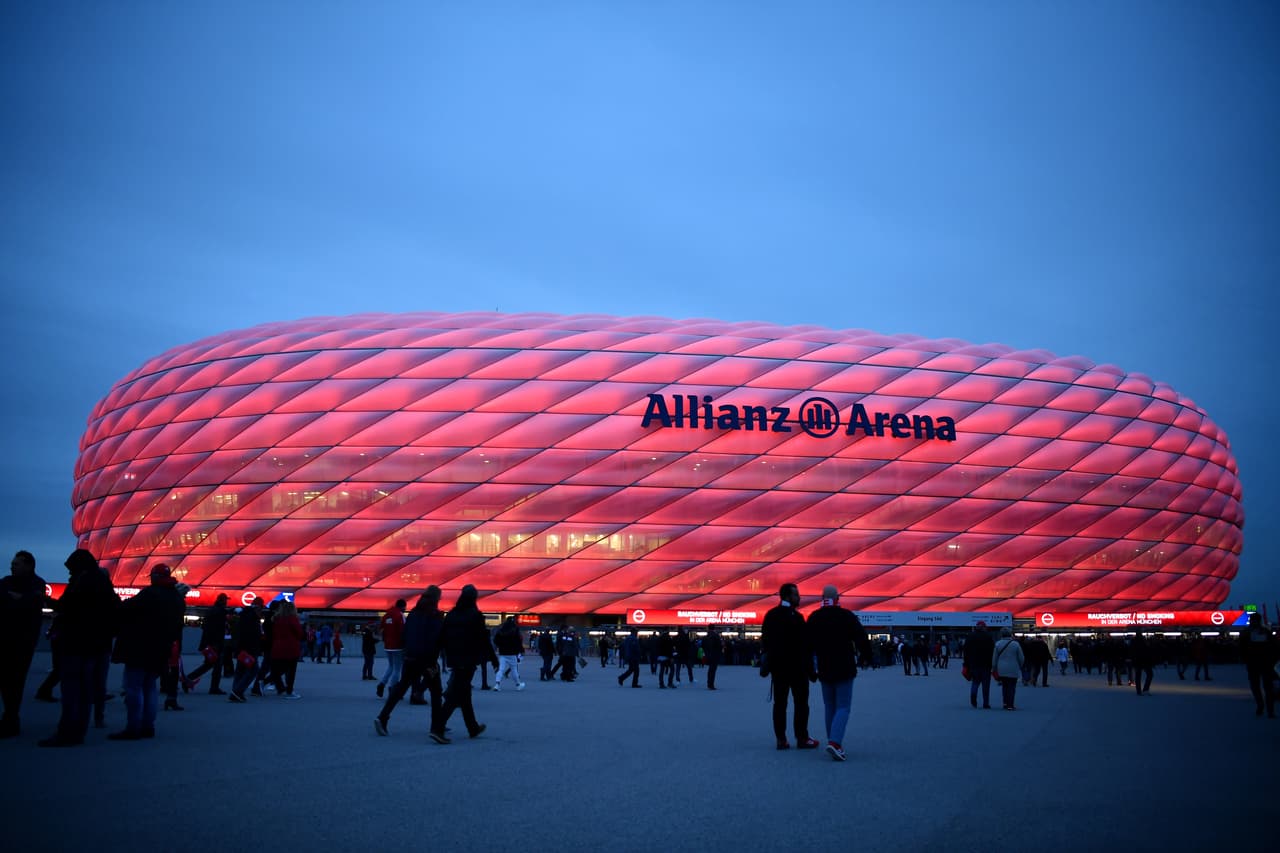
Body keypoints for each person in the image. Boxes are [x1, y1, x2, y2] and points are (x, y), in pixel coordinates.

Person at [39, 549, 120, 748]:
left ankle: (67, 732)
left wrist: (44, 600)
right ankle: (79, 731)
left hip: (76, 643)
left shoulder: (82, 581)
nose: (68, 574)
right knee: (85, 690)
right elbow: (116, 610)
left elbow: (66, 607)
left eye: (70, 569)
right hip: (96, 645)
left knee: (72, 689)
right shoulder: (103, 583)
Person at [108, 564, 185, 740]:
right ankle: (148, 726)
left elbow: (126, 610)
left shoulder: (150, 593)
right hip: (161, 649)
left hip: (140, 647)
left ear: (155, 577)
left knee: (133, 686)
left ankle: (133, 727)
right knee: (150, 687)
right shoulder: (177, 598)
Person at [806, 585, 872, 762]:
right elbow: (861, 638)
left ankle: (833, 741)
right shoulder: (846, 616)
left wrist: (810, 668)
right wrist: (867, 657)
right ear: (837, 598)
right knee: (843, 706)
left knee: (830, 706)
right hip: (844, 667)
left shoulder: (814, 617)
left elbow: (806, 646)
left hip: (824, 668)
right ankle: (835, 743)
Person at [375, 585, 445, 737]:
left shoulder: (413, 613)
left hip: (411, 657)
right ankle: (436, 728)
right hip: (427, 659)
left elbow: (405, 634)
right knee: (436, 692)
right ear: (436, 599)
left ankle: (383, 717)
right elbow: (437, 638)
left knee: (402, 686)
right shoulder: (435, 615)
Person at [430, 585, 497, 744]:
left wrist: (434, 657)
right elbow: (483, 639)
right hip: (468, 660)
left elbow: (441, 637)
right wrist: (493, 659)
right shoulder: (475, 615)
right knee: (455, 696)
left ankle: (472, 727)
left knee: (464, 693)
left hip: (454, 658)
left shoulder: (452, 614)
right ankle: (437, 728)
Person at [761, 583, 819, 750]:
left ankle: (781, 739)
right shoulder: (798, 618)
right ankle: (802, 737)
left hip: (779, 669)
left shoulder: (771, 615)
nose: (799, 597)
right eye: (796, 594)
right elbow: (805, 647)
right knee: (801, 704)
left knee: (780, 704)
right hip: (797, 669)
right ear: (787, 596)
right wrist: (811, 671)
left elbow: (766, 642)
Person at [0, 550, 47, 738]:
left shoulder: (37, 584)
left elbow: (30, 605)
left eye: (17, 563)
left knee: (15, 681)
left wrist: (17, 600)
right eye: (12, 563)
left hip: (23, 642)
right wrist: (18, 600)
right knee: (6, 680)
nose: (12, 566)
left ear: (29, 565)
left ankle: (11, 719)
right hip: (5, 639)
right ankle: (9, 718)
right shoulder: (6, 582)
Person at [185, 593, 228, 695]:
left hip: (209, 642)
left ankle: (189, 679)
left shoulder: (212, 610)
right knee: (216, 666)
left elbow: (206, 627)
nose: (227, 602)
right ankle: (213, 687)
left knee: (209, 665)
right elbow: (218, 629)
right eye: (226, 600)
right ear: (223, 601)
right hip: (215, 643)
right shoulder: (220, 612)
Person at [1240, 613, 1278, 718]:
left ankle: (1266, 708)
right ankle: (1264, 706)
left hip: (1259, 663)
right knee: (1261, 686)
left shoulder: (1247, 633)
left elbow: (1242, 648)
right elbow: (1274, 647)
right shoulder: (1263, 632)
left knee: (1262, 686)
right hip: (1260, 663)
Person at [228, 598, 264, 703]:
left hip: (241, 647)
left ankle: (235, 691)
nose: (262, 610)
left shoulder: (244, 615)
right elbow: (253, 634)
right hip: (250, 648)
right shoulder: (253, 618)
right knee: (253, 670)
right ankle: (237, 692)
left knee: (240, 670)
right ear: (258, 607)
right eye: (261, 607)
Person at [270, 600, 304, 698]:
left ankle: (271, 684)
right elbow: (299, 633)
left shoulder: (276, 619)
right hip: (291, 647)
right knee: (291, 670)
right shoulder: (292, 619)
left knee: (279, 669)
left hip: (278, 647)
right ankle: (289, 691)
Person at [376, 599, 406, 698]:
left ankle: (382, 684)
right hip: (398, 646)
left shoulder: (387, 615)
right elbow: (403, 630)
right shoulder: (400, 615)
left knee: (390, 666)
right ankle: (392, 689)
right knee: (397, 668)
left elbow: (381, 628)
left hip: (388, 645)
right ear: (403, 606)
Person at [962, 621, 995, 709]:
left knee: (975, 682)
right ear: (984, 627)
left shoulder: (970, 636)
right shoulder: (988, 637)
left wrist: (966, 663)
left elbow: (966, 651)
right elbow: (992, 651)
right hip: (986, 664)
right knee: (986, 685)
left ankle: (973, 700)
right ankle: (986, 703)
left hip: (974, 664)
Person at [992, 628, 1025, 711]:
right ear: (1010, 634)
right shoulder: (1016, 644)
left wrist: (994, 667)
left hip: (1001, 668)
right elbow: (1021, 658)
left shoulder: (998, 644)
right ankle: (1010, 704)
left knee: (1005, 686)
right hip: (1013, 668)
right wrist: (1020, 666)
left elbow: (994, 658)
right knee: (1012, 687)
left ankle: (1005, 702)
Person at [492, 617, 525, 691]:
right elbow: (518, 641)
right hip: (512, 653)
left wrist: (500, 646)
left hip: (503, 652)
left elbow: (496, 640)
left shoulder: (501, 630)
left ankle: (497, 684)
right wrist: (521, 650)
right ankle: (518, 684)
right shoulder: (515, 630)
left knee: (501, 669)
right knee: (514, 669)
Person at [1130, 630, 1154, 696]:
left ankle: (1139, 691)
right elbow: (1148, 650)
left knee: (1138, 676)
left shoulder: (1133, 641)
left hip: (1137, 661)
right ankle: (1145, 689)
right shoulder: (1144, 641)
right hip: (1144, 660)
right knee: (1150, 674)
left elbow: (1131, 651)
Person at [703, 626, 723, 690]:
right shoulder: (716, 636)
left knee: (710, 670)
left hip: (708, 655)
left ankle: (709, 683)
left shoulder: (706, 637)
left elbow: (703, 646)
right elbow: (720, 646)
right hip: (715, 655)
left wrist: (706, 652)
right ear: (714, 628)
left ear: (708, 628)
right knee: (713, 670)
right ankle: (711, 684)